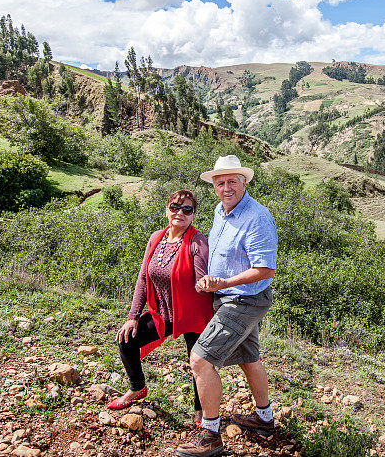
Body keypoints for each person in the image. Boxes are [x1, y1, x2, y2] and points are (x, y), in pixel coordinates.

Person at [176, 155, 278, 457]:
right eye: (220, 183)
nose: (226, 187)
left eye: (232, 181)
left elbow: (265, 269)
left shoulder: (256, 217)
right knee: (249, 359)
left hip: (244, 299)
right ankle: (264, 419)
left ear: (243, 182)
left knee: (200, 360)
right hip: (231, 297)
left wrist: (222, 283)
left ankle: (210, 434)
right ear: (214, 187)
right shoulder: (222, 212)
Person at [111, 189, 214, 426]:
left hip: (193, 314)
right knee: (126, 340)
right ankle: (138, 388)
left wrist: (207, 283)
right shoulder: (156, 237)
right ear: (166, 210)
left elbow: (202, 278)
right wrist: (133, 316)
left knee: (198, 363)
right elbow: (143, 278)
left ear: (193, 215)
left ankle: (201, 413)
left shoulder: (197, 241)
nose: (180, 213)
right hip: (164, 313)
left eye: (187, 209)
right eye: (175, 207)